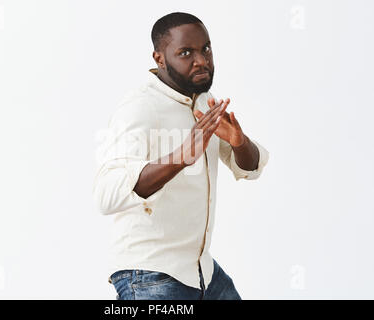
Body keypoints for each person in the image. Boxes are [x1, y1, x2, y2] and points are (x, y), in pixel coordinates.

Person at [93, 12, 269, 300]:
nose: (201, 60)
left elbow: (251, 168)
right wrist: (181, 157)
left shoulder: (205, 101)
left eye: (206, 49)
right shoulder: (139, 107)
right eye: (185, 52)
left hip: (202, 271)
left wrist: (239, 142)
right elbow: (106, 195)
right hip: (149, 273)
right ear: (159, 58)